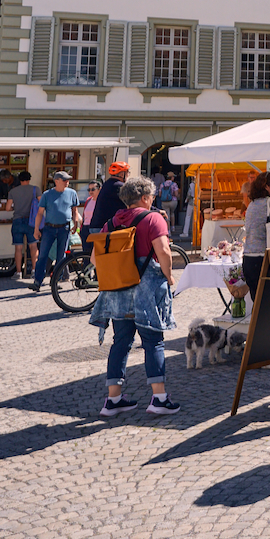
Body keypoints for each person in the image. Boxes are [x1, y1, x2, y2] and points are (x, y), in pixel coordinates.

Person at [90, 176, 180, 416]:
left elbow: (94, 259)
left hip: (118, 291)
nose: (152, 200)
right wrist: (169, 277)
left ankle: (113, 400)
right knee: (153, 342)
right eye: (151, 196)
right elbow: (164, 252)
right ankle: (159, 398)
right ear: (144, 197)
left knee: (121, 342)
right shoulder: (153, 219)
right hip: (146, 291)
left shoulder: (111, 222)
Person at [32, 172, 79, 291]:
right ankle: (37, 281)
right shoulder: (47, 194)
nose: (67, 182)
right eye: (64, 180)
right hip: (49, 228)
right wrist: (36, 229)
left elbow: (74, 210)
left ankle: (55, 281)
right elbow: (40, 213)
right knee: (43, 255)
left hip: (65, 228)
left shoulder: (72, 193)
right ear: (56, 181)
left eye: (68, 180)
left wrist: (76, 223)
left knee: (61, 256)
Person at [7, 171, 38, 283]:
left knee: (18, 248)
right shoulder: (35, 189)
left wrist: (15, 209)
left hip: (18, 220)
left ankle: (18, 272)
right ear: (29, 179)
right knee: (33, 246)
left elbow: (7, 208)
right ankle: (34, 271)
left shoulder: (13, 191)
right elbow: (41, 204)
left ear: (19, 180)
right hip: (31, 221)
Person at [86, 162, 128, 234]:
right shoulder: (120, 186)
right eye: (127, 173)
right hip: (105, 228)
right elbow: (134, 202)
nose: (128, 175)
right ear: (122, 174)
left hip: (96, 226)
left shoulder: (107, 184)